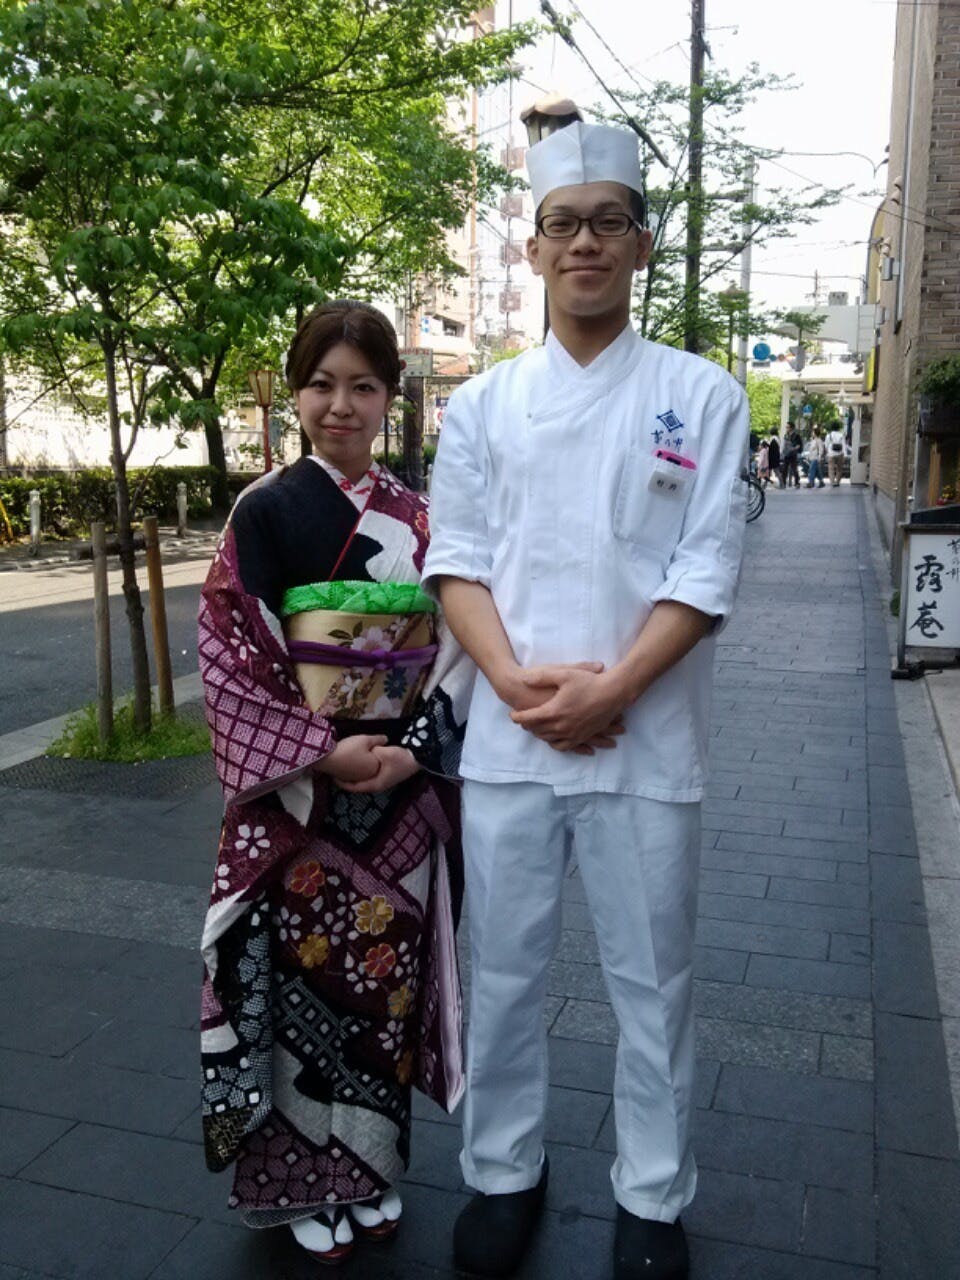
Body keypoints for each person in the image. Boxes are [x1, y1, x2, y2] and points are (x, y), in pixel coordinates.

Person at [424, 122, 748, 1280]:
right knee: (505, 967)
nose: (586, 243)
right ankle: (503, 1169)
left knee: (652, 979)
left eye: (610, 221)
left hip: (645, 740)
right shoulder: (482, 405)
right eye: (563, 224)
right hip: (511, 740)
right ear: (533, 249)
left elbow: (705, 566)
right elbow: (456, 560)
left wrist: (614, 686)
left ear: (642, 243)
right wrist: (517, 685)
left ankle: (652, 1191)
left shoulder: (701, 397)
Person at [197, 301, 473, 1266]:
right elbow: (232, 654)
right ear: (296, 394)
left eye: (362, 385)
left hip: (396, 795)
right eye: (321, 384)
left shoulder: (423, 518)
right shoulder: (263, 511)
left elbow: (457, 648)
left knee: (381, 992)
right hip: (303, 799)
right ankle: (301, 1181)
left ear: (392, 397)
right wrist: (317, 750)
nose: (340, 405)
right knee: (296, 985)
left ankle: (370, 1168)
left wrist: (414, 748)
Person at [781, 421, 802, 488]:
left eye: (787, 427)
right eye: (786, 427)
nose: (786, 428)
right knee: (784, 469)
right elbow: (784, 444)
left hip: (793, 454)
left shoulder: (796, 436)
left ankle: (797, 483)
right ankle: (783, 483)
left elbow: (799, 445)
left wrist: (793, 449)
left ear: (791, 428)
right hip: (786, 454)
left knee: (794, 469)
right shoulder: (786, 435)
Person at [825, 421, 845, 486]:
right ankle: (837, 482)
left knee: (831, 469)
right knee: (839, 468)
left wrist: (827, 453)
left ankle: (832, 482)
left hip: (831, 454)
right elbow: (844, 445)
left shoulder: (829, 435)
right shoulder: (841, 435)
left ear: (832, 427)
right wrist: (845, 455)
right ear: (838, 427)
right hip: (840, 454)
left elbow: (826, 445)